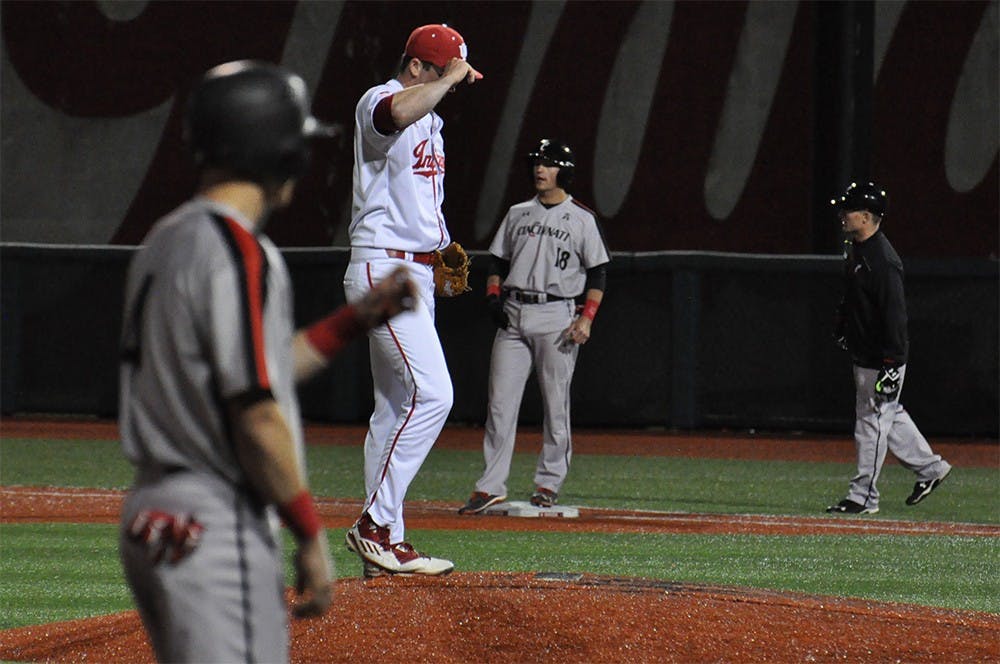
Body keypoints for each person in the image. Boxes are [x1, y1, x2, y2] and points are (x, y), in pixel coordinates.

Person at [118, 60, 417, 662]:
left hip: (152, 517)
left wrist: (353, 320)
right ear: (277, 152)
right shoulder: (238, 250)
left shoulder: (165, 239)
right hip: (214, 520)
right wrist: (308, 530)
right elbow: (256, 410)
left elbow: (256, 369)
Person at [343, 24, 481, 577]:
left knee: (393, 410)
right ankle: (373, 525)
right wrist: (445, 79)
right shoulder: (379, 100)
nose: (460, 83)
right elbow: (391, 116)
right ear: (421, 67)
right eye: (450, 72)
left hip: (414, 268)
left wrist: (440, 245)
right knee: (434, 395)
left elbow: (418, 194)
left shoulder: (433, 120)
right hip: (384, 266)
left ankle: (387, 543)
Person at [458, 138, 610, 515]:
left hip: (556, 316)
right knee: (499, 404)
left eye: (549, 163)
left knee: (556, 406)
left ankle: (548, 483)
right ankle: (490, 486)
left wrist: (586, 319)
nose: (540, 169)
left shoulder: (581, 218)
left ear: (565, 171)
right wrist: (493, 298)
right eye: (537, 163)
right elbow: (496, 263)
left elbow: (599, 274)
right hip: (514, 313)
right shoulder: (518, 213)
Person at [826, 181, 952, 515]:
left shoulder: (882, 260)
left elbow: (895, 317)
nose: (842, 214)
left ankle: (863, 496)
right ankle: (931, 469)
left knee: (871, 422)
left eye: (849, 210)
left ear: (866, 217)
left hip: (881, 358)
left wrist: (892, 363)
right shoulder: (860, 250)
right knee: (887, 415)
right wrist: (844, 326)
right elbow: (853, 298)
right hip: (868, 352)